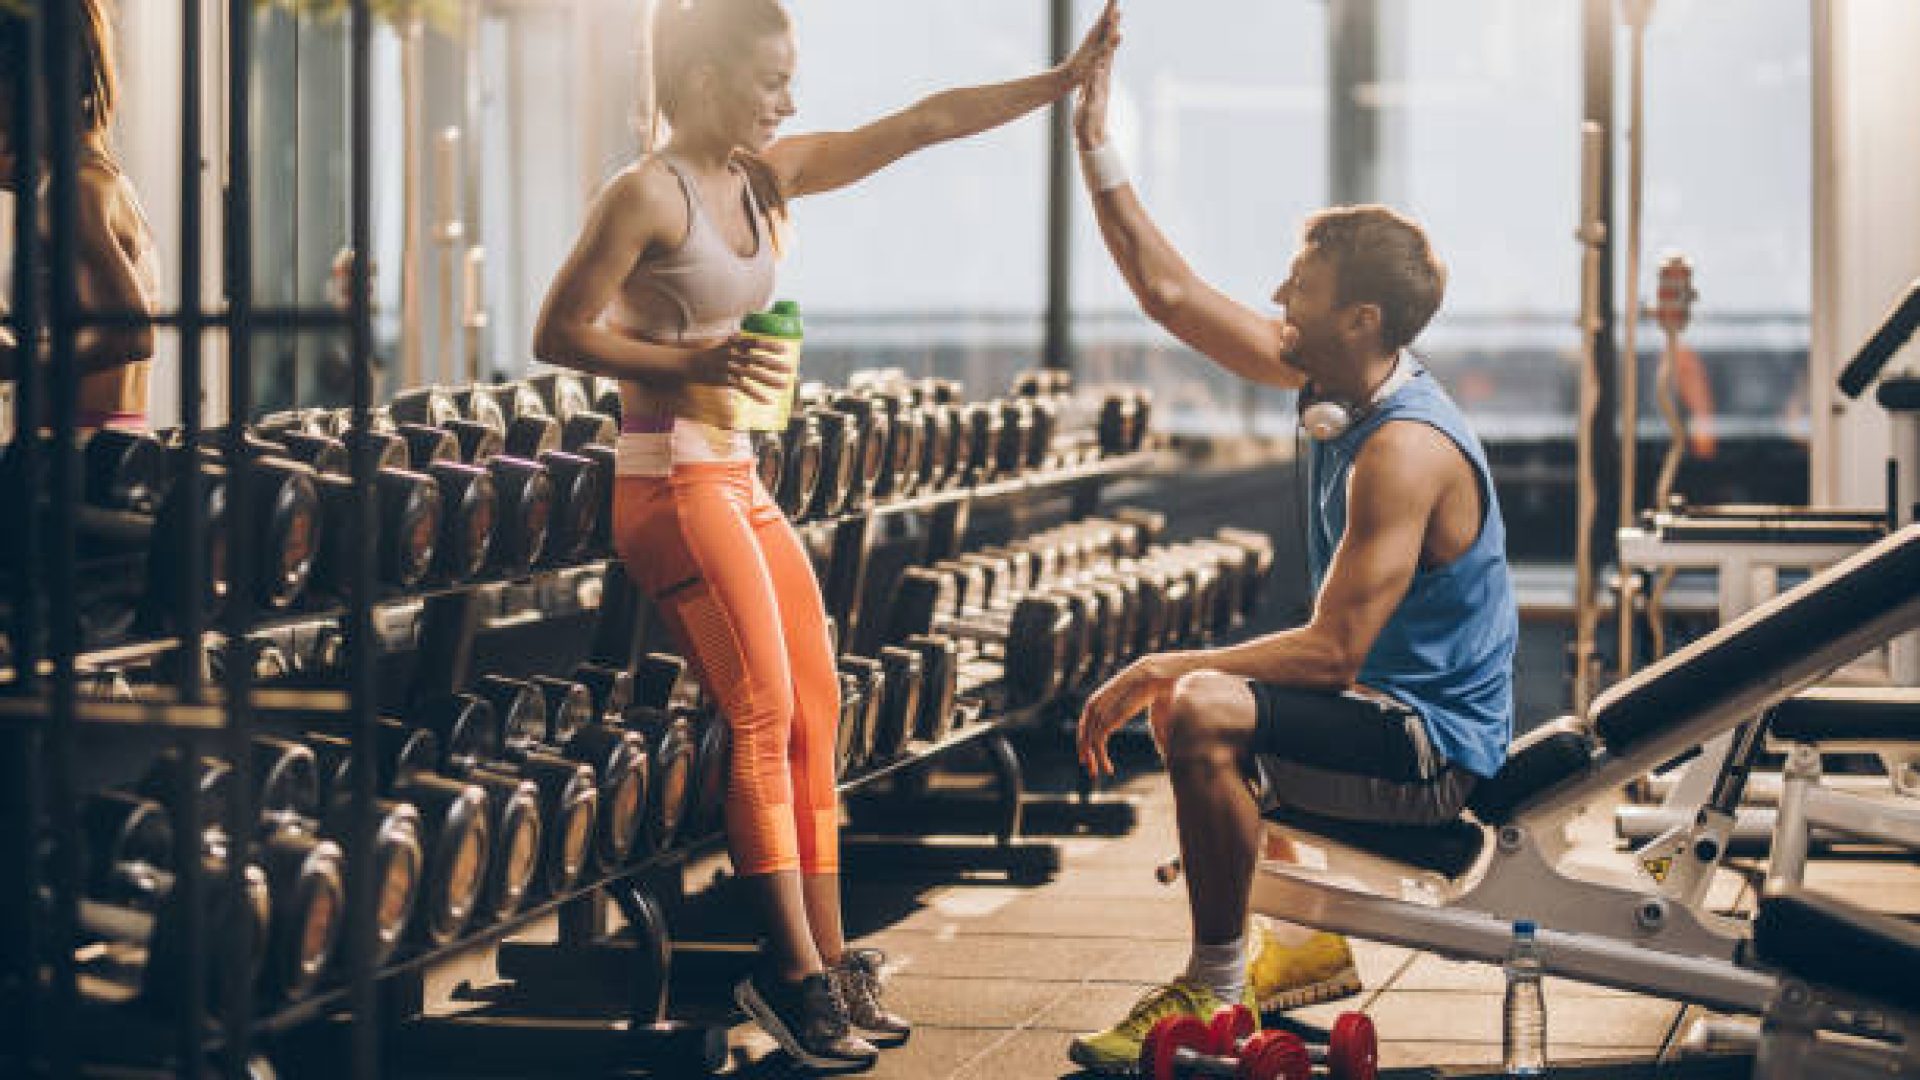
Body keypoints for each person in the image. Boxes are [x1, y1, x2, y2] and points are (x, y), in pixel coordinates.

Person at [532, 0, 1120, 1069]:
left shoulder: (762, 178)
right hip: (668, 483)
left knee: (821, 699)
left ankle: (832, 959)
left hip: (739, 474)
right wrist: (691, 366)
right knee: (760, 713)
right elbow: (558, 329)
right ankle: (790, 974)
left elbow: (922, 122)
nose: (788, 101)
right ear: (706, 77)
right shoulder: (644, 195)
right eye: (770, 80)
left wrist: (1060, 81)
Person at [1064, 38, 1519, 1075]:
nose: (1277, 294)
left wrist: (1154, 668)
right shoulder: (1331, 382)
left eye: (1300, 283)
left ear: (1358, 318)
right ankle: (1300, 955)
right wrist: (1098, 151)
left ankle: (1215, 984)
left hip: (1433, 751)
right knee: (1202, 698)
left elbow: (1332, 657)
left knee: (1204, 704)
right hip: (1383, 715)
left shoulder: (1402, 449)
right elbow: (1172, 297)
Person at [0, 0, 160, 432]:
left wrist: (16, 359)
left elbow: (132, 333)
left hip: (71, 463)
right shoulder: (104, 180)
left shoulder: (69, 189)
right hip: (107, 451)